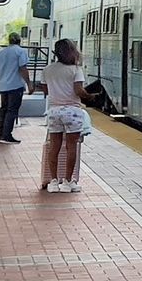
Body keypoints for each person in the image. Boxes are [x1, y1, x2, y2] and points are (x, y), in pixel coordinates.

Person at [40, 39, 91, 193]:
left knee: (54, 146)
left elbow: (46, 90)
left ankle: (54, 182)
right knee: (71, 147)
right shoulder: (75, 70)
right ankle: (68, 182)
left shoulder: (47, 70)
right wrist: (91, 97)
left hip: (54, 111)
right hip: (72, 112)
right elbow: (79, 91)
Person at [0, 32, 30, 144]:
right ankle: (7, 135)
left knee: (3, 109)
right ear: (19, 41)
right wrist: (29, 84)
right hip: (16, 84)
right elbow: (23, 68)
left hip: (3, 85)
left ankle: (0, 134)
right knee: (12, 110)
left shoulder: (0, 53)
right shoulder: (20, 51)